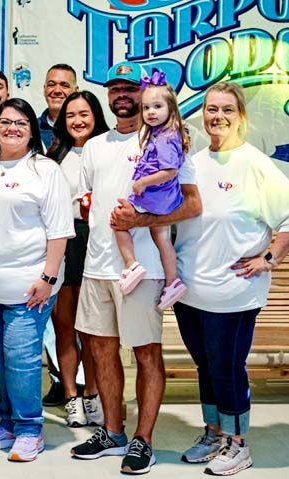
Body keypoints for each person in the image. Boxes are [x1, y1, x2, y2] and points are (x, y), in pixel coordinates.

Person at [165, 83, 289, 475]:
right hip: (190, 290)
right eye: (212, 109)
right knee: (205, 365)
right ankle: (214, 433)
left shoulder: (254, 163)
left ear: (240, 116)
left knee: (228, 367)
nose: (218, 116)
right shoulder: (193, 162)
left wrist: (270, 257)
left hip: (233, 293)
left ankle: (238, 443)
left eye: (227, 110)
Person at [69, 61, 201, 475]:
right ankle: (113, 430)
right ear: (107, 96)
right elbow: (78, 197)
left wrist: (140, 221)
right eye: (114, 88)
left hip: (143, 269)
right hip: (98, 268)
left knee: (145, 353)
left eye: (130, 88)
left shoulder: (168, 140)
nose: (121, 95)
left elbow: (193, 204)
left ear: (145, 96)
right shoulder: (95, 146)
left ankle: (144, 439)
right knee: (101, 349)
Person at [0, 98, 74, 462]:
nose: (11, 128)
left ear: (32, 130)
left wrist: (48, 277)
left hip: (29, 286)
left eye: (20, 123)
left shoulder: (45, 171)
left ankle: (30, 428)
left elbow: (60, 231)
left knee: (22, 357)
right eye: (5, 122)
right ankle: (8, 422)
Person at [45, 91, 110, 427]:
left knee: (96, 329)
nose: (78, 121)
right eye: (71, 115)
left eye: (84, 114)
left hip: (99, 239)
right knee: (65, 325)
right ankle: (70, 395)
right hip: (65, 239)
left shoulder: (109, 149)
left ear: (96, 115)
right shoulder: (54, 155)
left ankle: (93, 393)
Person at [113, 71, 189, 310]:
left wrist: (143, 183)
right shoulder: (163, 134)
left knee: (118, 220)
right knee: (162, 238)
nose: (151, 112)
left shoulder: (165, 138)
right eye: (146, 108)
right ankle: (173, 282)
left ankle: (131, 264)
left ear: (171, 109)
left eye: (157, 106)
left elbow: (170, 171)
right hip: (166, 197)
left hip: (157, 197)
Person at [38, 64, 78, 149]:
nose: (57, 91)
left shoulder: (85, 129)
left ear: (76, 91)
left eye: (64, 85)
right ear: (44, 89)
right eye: (51, 84)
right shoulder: (31, 130)